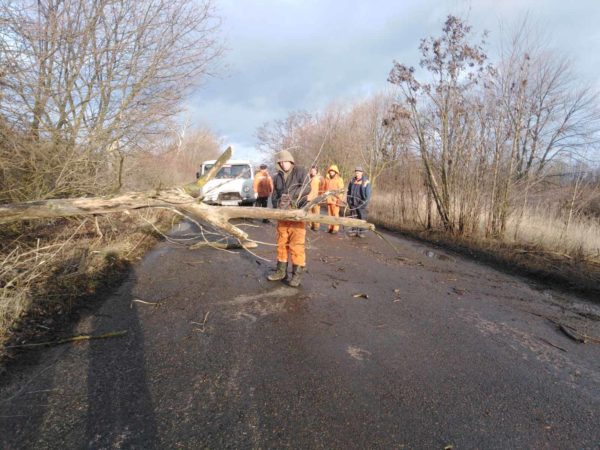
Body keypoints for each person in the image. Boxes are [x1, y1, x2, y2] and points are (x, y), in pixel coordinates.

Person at [267, 150, 311, 287]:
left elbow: (307, 188)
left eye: (286, 161)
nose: (284, 164)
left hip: (297, 214)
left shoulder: (300, 171)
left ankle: (296, 275)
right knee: (281, 244)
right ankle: (281, 271)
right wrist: (277, 205)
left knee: (296, 245)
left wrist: (291, 196)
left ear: (291, 161)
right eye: (281, 162)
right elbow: (274, 195)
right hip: (282, 215)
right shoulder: (277, 177)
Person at [347, 166, 372, 237]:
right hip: (352, 203)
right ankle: (354, 231)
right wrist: (348, 201)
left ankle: (361, 232)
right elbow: (348, 191)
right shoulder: (352, 180)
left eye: (358, 172)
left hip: (361, 204)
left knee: (362, 217)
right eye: (356, 172)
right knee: (353, 217)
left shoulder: (366, 182)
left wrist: (364, 204)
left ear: (362, 173)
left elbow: (368, 195)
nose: (357, 174)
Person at [322, 164, 344, 234]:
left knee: (335, 214)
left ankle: (335, 228)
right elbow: (324, 189)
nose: (331, 172)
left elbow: (341, 190)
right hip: (329, 200)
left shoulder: (339, 179)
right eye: (330, 171)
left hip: (335, 200)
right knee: (329, 214)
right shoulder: (327, 179)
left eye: (333, 171)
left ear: (335, 172)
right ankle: (330, 228)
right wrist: (324, 197)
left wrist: (339, 200)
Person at [307, 166, 325, 231]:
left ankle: (316, 226)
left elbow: (322, 188)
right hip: (309, 198)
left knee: (316, 212)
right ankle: (310, 225)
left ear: (317, 171)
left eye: (314, 170)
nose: (313, 172)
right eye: (312, 170)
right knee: (309, 212)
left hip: (316, 198)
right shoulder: (309, 177)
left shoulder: (320, 178)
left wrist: (321, 197)